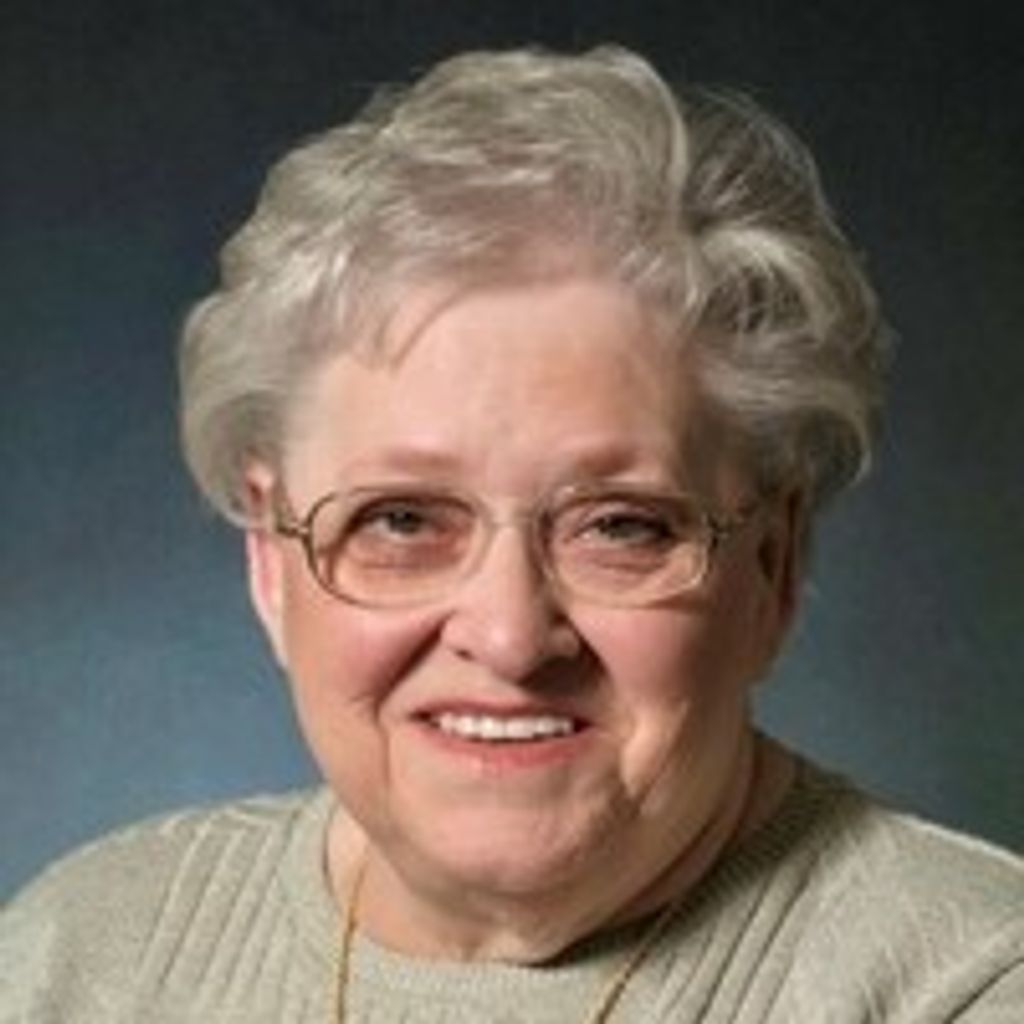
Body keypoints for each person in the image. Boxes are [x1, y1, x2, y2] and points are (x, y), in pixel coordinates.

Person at [2, 44, 1021, 1023]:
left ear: (772, 566)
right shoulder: (76, 957)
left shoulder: (967, 985)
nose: (510, 636)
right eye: (401, 519)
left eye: (619, 525)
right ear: (272, 562)